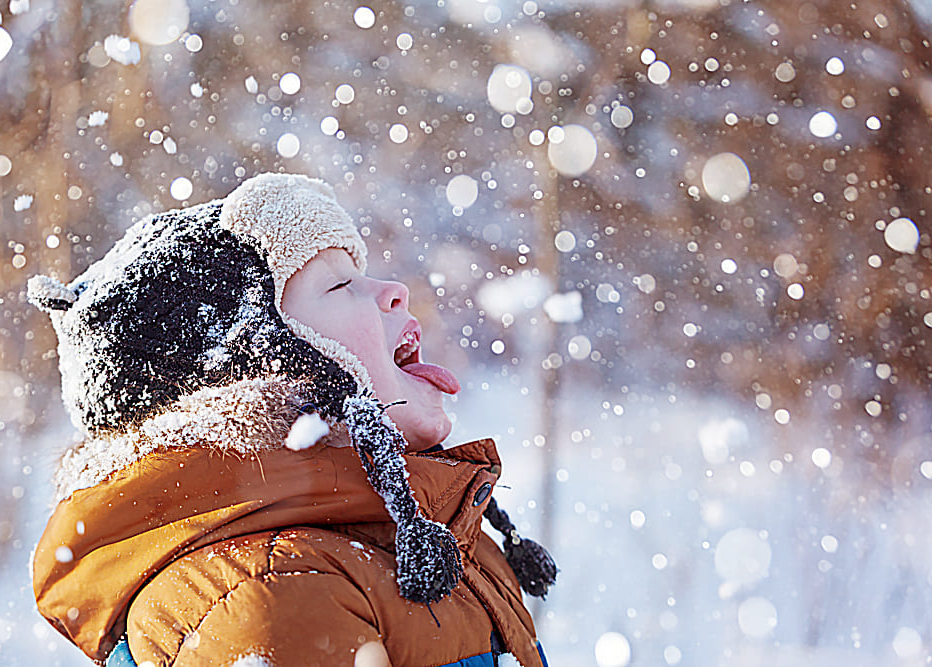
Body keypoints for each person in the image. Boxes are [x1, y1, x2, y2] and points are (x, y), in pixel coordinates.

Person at [28, 173, 556, 666]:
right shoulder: (269, 594)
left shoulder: (412, 535)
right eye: (338, 285)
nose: (394, 289)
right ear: (258, 370)